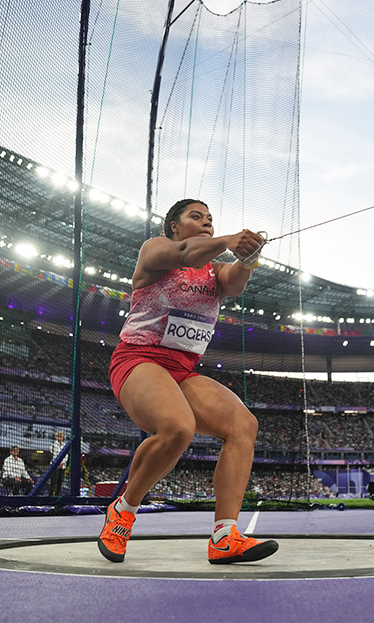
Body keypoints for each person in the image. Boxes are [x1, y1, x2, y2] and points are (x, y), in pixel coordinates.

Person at [98, 199, 277, 565]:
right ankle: (124, 511)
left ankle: (224, 537)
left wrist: (248, 257)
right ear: (174, 226)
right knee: (179, 427)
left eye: (211, 218)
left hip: (182, 370)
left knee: (243, 424)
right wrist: (229, 239)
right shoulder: (157, 249)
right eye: (196, 216)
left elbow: (235, 283)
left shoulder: (214, 271)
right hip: (139, 359)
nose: (206, 222)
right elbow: (186, 254)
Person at [49, 431, 67, 496]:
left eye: (61, 437)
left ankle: (57, 495)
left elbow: (66, 455)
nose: (59, 438)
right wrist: (58, 462)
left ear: (62, 438)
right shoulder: (54, 445)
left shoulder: (64, 445)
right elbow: (54, 455)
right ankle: (50, 495)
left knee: (60, 482)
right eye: (58, 437)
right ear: (56, 437)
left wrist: (63, 462)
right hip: (55, 466)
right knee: (53, 482)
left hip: (62, 466)